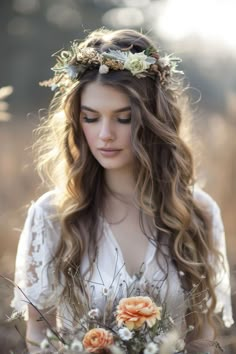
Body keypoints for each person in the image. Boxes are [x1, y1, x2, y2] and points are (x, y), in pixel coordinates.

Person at [11, 28, 234, 353]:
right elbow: (38, 330)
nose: (105, 134)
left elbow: (202, 335)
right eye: (91, 118)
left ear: (154, 119)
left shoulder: (198, 213)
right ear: (76, 121)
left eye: (124, 118)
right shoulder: (51, 216)